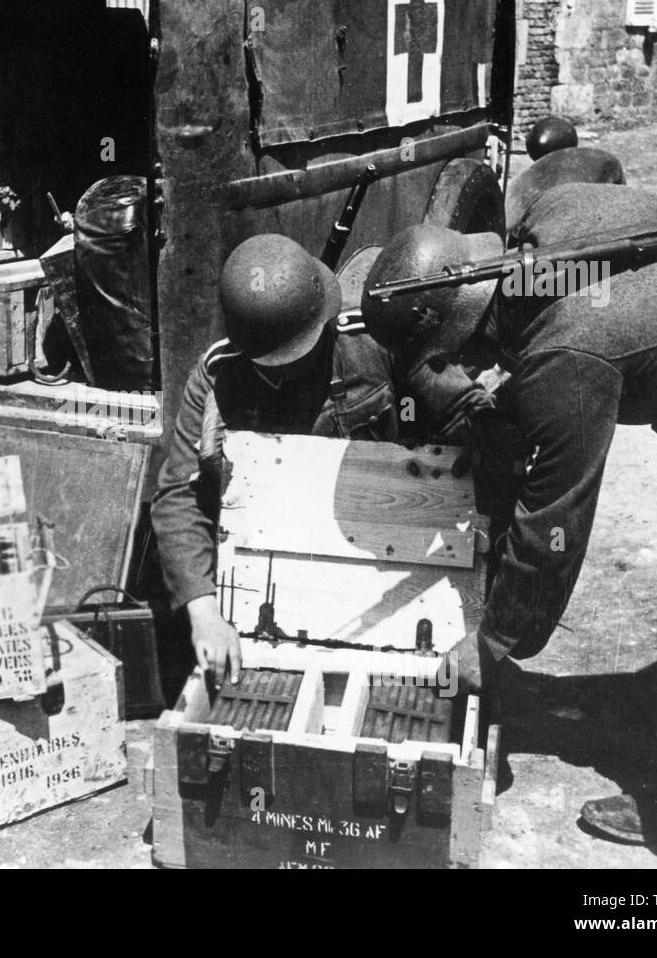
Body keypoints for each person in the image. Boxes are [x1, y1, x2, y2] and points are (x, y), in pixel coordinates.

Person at [361, 184, 657, 860]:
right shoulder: (549, 219)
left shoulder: (565, 354)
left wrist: (494, 643)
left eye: (453, 357)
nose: (464, 370)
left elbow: (555, 524)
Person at [151, 233, 487, 683]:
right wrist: (204, 611)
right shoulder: (216, 378)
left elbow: (465, 410)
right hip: (275, 585)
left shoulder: (375, 343)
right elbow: (179, 495)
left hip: (391, 564)